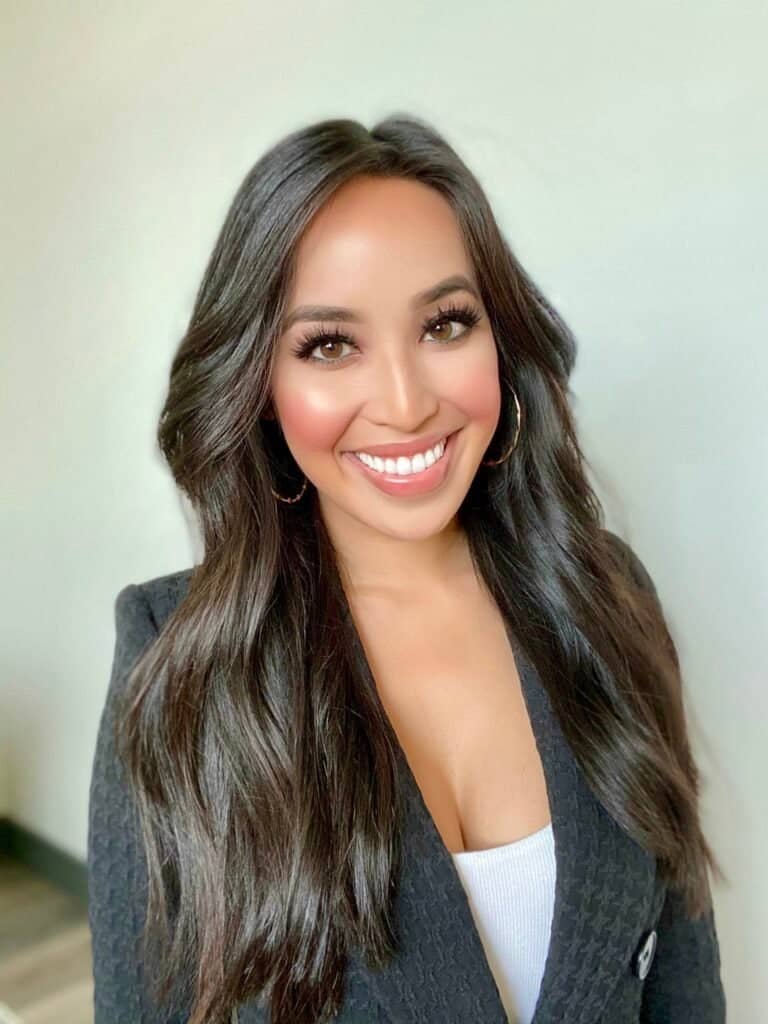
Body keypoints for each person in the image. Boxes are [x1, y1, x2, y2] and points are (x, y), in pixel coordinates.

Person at [87, 114, 727, 1024]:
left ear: (499, 337)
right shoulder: (177, 661)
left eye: (445, 324)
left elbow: (685, 984)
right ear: (258, 388)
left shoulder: (605, 597)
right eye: (329, 344)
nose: (404, 402)